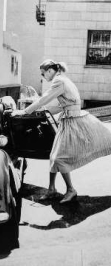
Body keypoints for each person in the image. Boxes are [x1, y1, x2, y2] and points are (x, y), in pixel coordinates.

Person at [12, 59, 111, 203]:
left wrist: (23, 112)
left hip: (72, 122)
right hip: (69, 119)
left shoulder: (58, 81)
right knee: (53, 156)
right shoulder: (64, 79)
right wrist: (45, 110)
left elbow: (44, 99)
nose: (43, 76)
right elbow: (65, 103)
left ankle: (71, 190)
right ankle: (51, 189)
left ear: (50, 71)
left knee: (59, 158)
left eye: (43, 73)